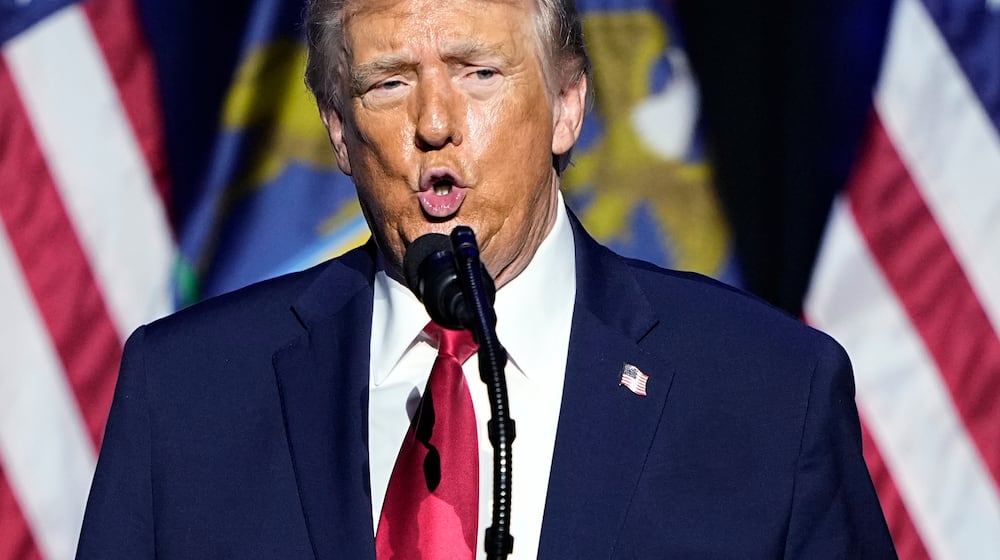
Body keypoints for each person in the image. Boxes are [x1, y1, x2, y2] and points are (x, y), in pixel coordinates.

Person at [77, 0, 896, 557]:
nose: (435, 123)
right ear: (337, 130)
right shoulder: (186, 394)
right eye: (388, 82)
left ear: (568, 105)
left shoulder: (769, 393)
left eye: (479, 73)